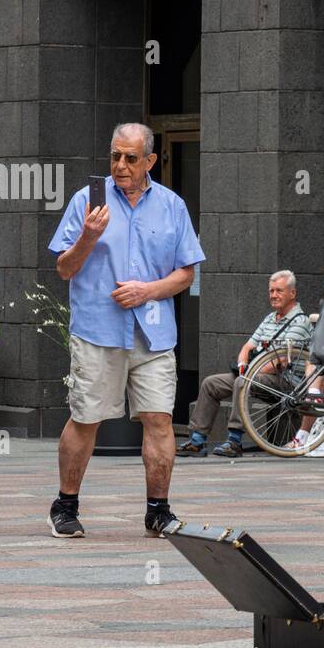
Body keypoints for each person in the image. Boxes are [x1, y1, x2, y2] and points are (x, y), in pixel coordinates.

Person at [46, 123, 204, 539]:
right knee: (87, 418)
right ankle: (65, 505)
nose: (120, 165)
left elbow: (186, 273)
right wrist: (88, 236)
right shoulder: (86, 202)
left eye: (131, 158)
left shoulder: (172, 206)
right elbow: (64, 267)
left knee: (159, 420)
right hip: (98, 331)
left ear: (150, 161)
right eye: (115, 156)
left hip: (153, 334)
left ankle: (158, 510)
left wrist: (148, 291)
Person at [176, 270, 312, 457]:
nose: (273, 295)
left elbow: (279, 361)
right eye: (271, 291)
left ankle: (234, 441)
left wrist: (248, 375)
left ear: (292, 293)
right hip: (258, 376)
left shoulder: (300, 321)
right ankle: (197, 441)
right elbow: (248, 346)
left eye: (279, 291)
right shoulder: (270, 318)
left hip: (286, 383)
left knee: (243, 383)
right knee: (211, 383)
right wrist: (242, 365)